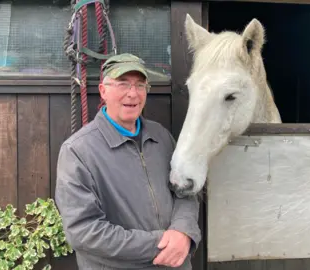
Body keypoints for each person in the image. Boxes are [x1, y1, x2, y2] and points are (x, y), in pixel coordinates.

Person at [55, 53, 201, 270]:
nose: (133, 94)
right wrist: (161, 245)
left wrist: (182, 231)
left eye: (140, 85)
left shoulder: (161, 136)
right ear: (103, 91)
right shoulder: (78, 151)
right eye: (123, 84)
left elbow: (185, 192)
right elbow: (84, 231)